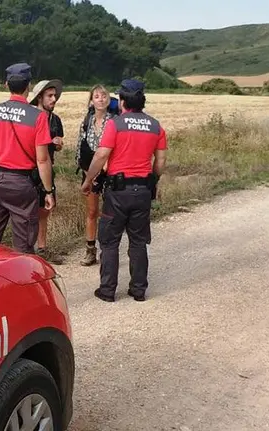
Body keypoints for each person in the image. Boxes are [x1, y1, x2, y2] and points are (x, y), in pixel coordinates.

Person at [80, 78, 167, 302]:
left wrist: (88, 180)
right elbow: (160, 162)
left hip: (118, 192)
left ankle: (108, 290)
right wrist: (153, 180)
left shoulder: (115, 124)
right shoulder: (156, 126)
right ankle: (138, 290)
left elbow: (101, 155)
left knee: (110, 241)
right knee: (138, 241)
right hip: (143, 190)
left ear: (122, 101)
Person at [0, 63, 55, 254]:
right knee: (23, 247)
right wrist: (48, 191)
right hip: (22, 185)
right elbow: (42, 160)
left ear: (6, 85)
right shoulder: (38, 117)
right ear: (28, 86)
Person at [75, 84, 118, 266]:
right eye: (97, 96)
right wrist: (87, 173)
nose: (101, 99)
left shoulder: (115, 121)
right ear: (91, 101)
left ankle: (107, 250)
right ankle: (90, 250)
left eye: (104, 96)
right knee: (92, 212)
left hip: (110, 173)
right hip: (90, 173)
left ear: (108, 100)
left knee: (109, 213)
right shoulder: (86, 122)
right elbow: (79, 149)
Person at [29, 78, 65, 262]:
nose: (54, 99)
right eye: (49, 96)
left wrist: (58, 144)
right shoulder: (30, 117)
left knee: (44, 210)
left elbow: (58, 144)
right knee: (28, 211)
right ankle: (27, 249)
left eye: (55, 96)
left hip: (47, 169)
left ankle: (42, 248)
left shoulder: (55, 120)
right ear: (39, 97)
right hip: (29, 169)